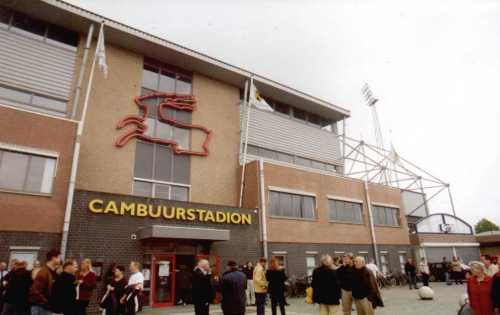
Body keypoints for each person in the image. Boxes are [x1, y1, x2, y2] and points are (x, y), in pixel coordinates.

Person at [29, 249, 61, 315]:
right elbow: (35, 291)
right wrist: (48, 303)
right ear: (53, 258)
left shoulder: (51, 272)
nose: (60, 259)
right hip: (41, 308)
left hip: (45, 308)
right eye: (59, 257)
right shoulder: (44, 272)